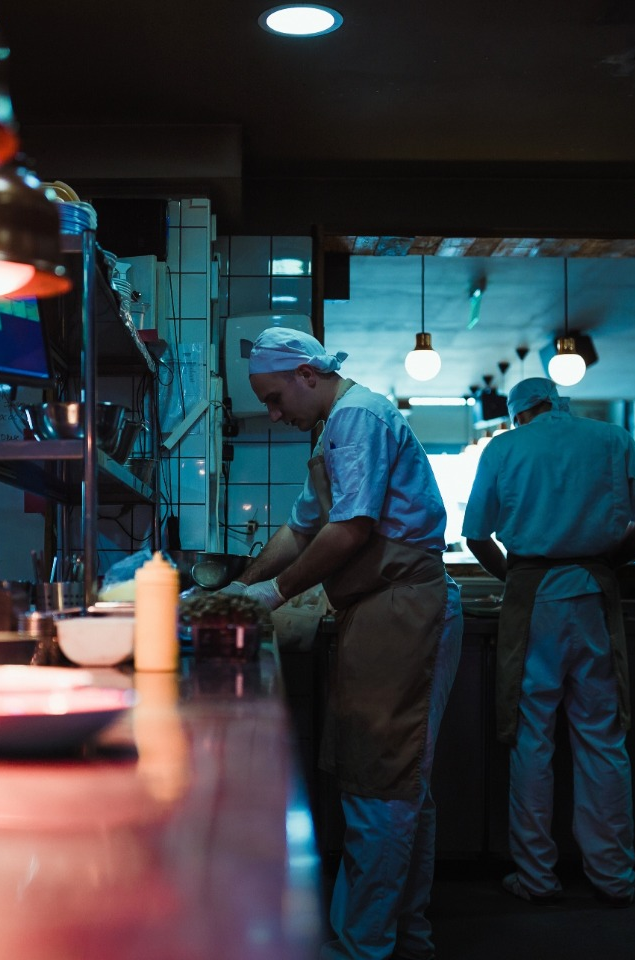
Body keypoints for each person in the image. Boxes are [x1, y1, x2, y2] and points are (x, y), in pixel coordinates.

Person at [228, 326, 463, 960]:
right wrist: (237, 589)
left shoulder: (358, 417)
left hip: (403, 604)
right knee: (395, 778)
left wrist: (272, 596)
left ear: (308, 374)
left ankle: (366, 947)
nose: (275, 416)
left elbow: (352, 528)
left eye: (276, 399)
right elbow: (302, 531)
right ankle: (404, 934)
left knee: (382, 782)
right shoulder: (334, 428)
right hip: (378, 610)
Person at [461, 377, 635, 908]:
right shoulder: (612, 438)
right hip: (594, 594)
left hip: (534, 601)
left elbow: (476, 535)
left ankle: (536, 878)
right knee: (602, 737)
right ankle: (614, 878)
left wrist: (515, 577)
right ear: (557, 402)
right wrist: (605, 563)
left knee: (532, 738)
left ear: (518, 413)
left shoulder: (504, 447)